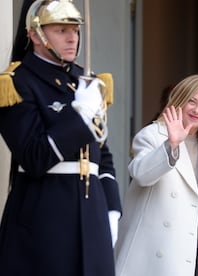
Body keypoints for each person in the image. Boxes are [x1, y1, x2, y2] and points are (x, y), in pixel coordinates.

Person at [0, 0, 122, 275]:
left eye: (76, 30)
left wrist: (112, 208)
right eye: (61, 30)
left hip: (93, 220)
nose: (72, 38)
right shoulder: (17, 83)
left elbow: (103, 156)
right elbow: (34, 156)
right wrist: (80, 118)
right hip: (45, 222)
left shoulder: (86, 81)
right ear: (35, 34)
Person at [115, 74, 198, 276]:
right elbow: (141, 174)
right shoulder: (153, 135)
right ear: (180, 99)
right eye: (192, 101)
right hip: (151, 256)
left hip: (188, 251)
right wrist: (171, 145)